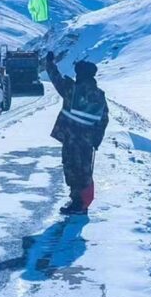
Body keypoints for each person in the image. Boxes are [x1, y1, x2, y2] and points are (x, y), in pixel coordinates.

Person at [45, 51, 109, 215]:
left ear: (81, 75)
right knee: (84, 170)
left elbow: (55, 78)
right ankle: (81, 201)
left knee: (72, 169)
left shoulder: (72, 89)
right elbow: (104, 119)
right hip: (87, 141)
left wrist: (50, 62)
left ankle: (78, 203)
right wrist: (96, 139)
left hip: (71, 138)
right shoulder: (100, 95)